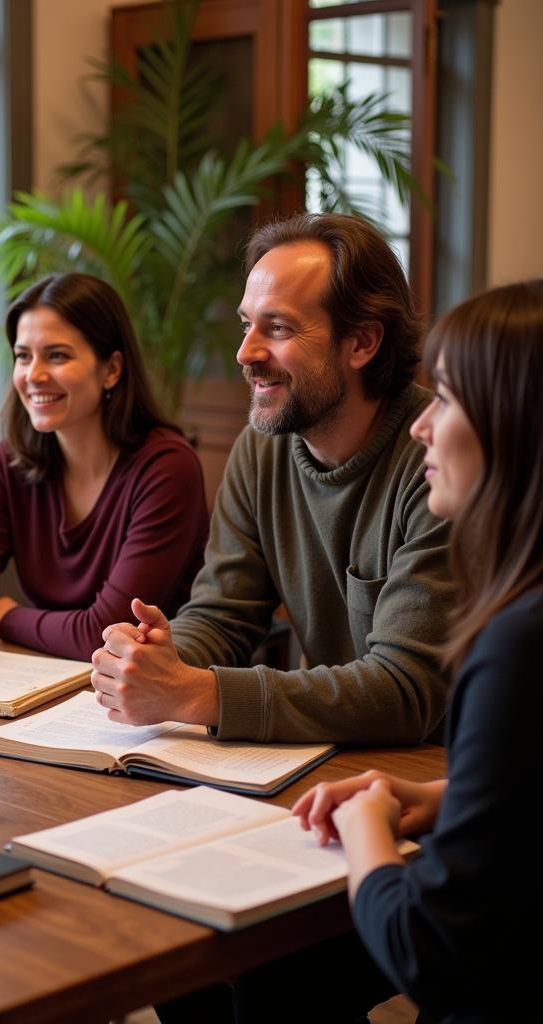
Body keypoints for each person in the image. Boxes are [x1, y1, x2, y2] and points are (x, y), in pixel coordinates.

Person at [92, 213, 453, 744]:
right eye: (247, 324)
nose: (245, 353)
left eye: (278, 327)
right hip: (328, 763)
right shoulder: (261, 450)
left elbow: (406, 690)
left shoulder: (439, 462)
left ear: (362, 343)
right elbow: (223, 614)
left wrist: (199, 693)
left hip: (435, 776)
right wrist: (160, 657)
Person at [293, 279, 543, 1023]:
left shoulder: (518, 646)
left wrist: (366, 826)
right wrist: (442, 801)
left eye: (448, 400)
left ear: (518, 428)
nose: (421, 427)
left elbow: (431, 954)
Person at [0, 271, 208, 669]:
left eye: (57, 355)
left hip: (154, 697)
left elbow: (105, 632)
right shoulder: (8, 462)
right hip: (50, 678)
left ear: (112, 370)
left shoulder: (167, 467)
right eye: (23, 356)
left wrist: (2, 616)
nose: (33, 375)